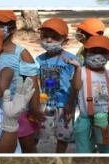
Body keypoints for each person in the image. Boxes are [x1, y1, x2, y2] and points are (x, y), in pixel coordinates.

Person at [0, 10, 44, 153]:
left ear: (12, 29)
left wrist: (34, 108)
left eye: (0, 25)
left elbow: (33, 82)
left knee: (27, 146)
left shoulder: (21, 53)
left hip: (15, 111)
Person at [69, 35, 109, 154]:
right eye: (93, 51)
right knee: (84, 150)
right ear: (85, 53)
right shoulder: (81, 72)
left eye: (102, 52)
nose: (97, 55)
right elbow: (75, 87)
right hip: (86, 120)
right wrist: (78, 68)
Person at [36, 18, 78, 153]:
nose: (49, 40)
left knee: (63, 136)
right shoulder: (39, 60)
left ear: (64, 41)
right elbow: (35, 81)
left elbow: (76, 85)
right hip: (44, 105)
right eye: (45, 36)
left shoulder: (72, 60)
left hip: (64, 105)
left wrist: (71, 104)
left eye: (54, 37)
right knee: (36, 133)